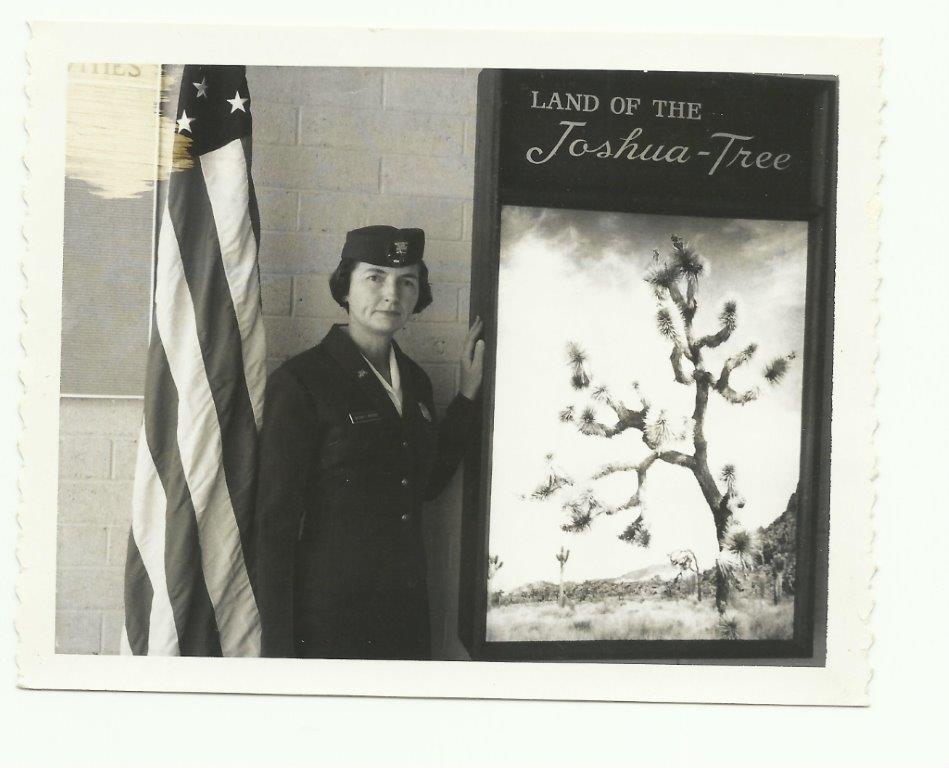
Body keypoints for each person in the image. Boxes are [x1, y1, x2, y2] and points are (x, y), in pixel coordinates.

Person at [255, 225, 484, 659]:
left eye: (407, 281)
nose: (391, 294)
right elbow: (274, 527)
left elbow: (427, 483)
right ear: (345, 286)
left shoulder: (414, 380)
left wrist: (467, 398)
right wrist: (277, 652)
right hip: (327, 621)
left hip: (405, 618)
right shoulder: (302, 381)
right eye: (375, 277)